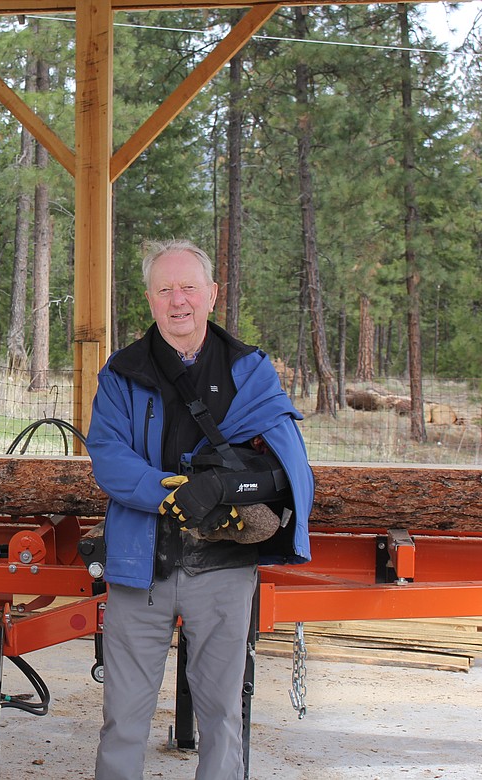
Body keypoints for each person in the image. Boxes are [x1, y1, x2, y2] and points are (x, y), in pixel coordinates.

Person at [86, 239, 314, 780]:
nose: (178, 300)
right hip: (141, 564)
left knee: (222, 717)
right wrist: (171, 493)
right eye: (165, 289)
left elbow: (288, 466)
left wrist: (222, 489)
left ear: (213, 295)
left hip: (223, 568)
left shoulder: (249, 370)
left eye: (189, 287)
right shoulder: (121, 373)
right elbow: (109, 458)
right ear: (149, 299)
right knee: (122, 720)